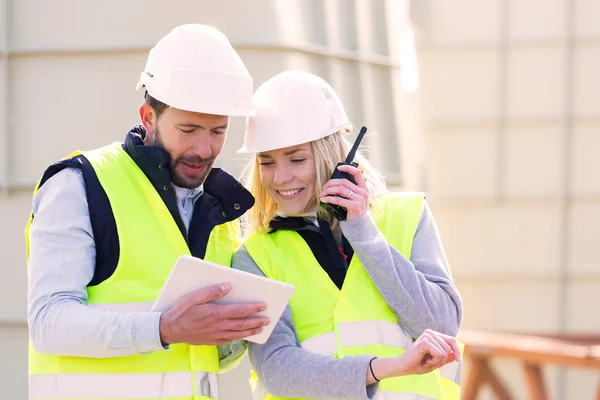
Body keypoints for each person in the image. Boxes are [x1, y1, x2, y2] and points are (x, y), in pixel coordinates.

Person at [25, 24, 270, 400]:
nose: (204, 149)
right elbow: (48, 323)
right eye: (188, 129)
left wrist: (235, 331)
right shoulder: (79, 186)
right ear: (148, 116)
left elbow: (204, 357)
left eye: (218, 131)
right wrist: (164, 329)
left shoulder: (218, 209)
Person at [233, 71, 464, 400]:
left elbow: (440, 326)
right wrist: (386, 367)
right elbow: (277, 369)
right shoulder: (254, 256)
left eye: (297, 159)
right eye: (266, 162)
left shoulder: (407, 215)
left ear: (332, 152)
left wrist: (363, 230)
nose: (280, 178)